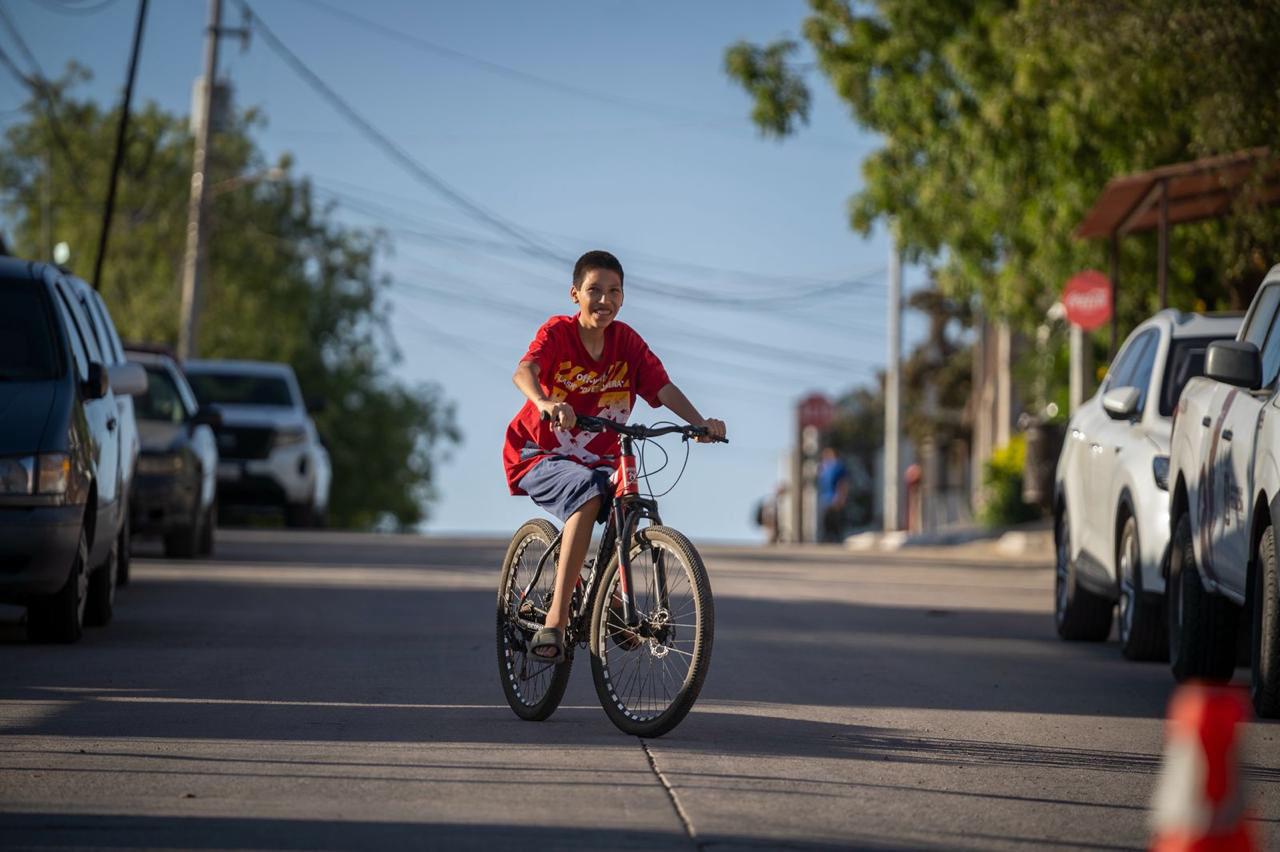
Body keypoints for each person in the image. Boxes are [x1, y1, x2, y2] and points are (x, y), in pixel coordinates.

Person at [504, 250, 727, 663]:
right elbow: (524, 371)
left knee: (627, 499)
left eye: (613, 292)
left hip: (597, 459)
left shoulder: (627, 342)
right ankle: (553, 620)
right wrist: (545, 402)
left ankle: (612, 603)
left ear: (622, 299)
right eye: (594, 291)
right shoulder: (558, 333)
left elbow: (662, 388)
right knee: (590, 492)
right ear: (575, 294)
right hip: (539, 452)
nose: (603, 300)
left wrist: (700, 424)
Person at [817, 446, 849, 543]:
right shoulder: (824, 467)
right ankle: (827, 539)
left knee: (835, 521)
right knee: (826, 521)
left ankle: (837, 539)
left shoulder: (838, 466)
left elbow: (843, 482)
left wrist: (841, 496)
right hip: (825, 498)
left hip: (835, 497)